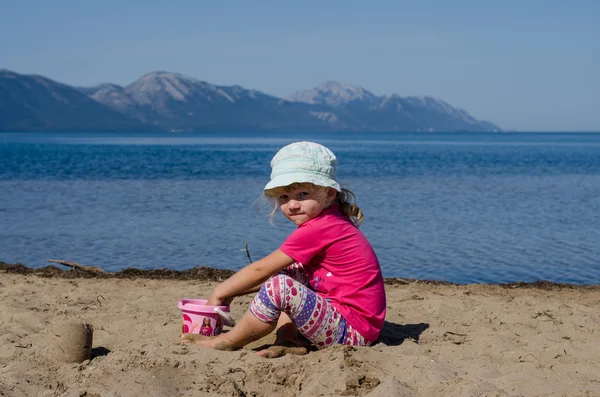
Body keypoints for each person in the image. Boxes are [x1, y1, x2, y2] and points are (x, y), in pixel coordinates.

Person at [181, 141, 386, 357]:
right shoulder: (331, 218)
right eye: (284, 197)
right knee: (292, 270)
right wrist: (235, 291)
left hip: (352, 332)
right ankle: (287, 339)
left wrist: (220, 291)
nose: (292, 205)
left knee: (281, 285)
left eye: (303, 194)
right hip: (351, 322)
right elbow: (271, 274)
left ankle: (227, 341)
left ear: (328, 194)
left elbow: (260, 270)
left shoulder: (319, 228)